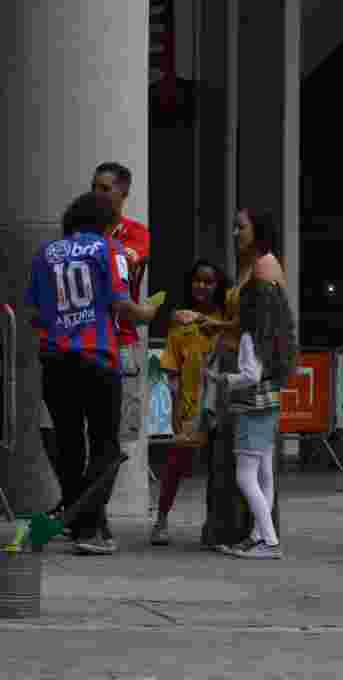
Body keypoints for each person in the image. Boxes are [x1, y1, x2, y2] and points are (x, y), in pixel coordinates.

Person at [25, 192, 159, 554]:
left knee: (69, 444)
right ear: (105, 220)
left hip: (55, 360)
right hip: (97, 357)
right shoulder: (110, 249)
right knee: (106, 444)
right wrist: (145, 314)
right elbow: (121, 304)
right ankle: (88, 527)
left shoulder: (46, 254)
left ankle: (82, 521)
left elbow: (35, 315)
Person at [176, 208, 286, 549]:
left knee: (245, 466)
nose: (236, 233)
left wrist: (220, 334)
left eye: (241, 227)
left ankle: (258, 535)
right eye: (235, 227)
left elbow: (263, 325)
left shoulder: (264, 265)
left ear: (258, 230)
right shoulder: (249, 267)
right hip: (243, 372)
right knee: (253, 465)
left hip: (249, 380)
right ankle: (257, 533)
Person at [206, 278, 297, 559]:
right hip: (270, 407)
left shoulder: (248, 337)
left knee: (245, 477)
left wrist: (221, 379)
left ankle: (268, 541)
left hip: (251, 409)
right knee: (264, 475)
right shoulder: (276, 336)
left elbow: (250, 375)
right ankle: (260, 536)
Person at [91, 162, 151, 549]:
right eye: (94, 187)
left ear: (123, 193)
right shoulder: (81, 232)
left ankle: (94, 511)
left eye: (105, 188)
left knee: (117, 438)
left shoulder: (135, 233)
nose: (98, 194)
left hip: (123, 341)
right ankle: (89, 512)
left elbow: (129, 262)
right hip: (86, 341)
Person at [151, 259, 230, 545]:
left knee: (220, 469)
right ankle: (160, 520)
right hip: (190, 407)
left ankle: (215, 525)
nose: (202, 286)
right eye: (197, 280)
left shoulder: (226, 319)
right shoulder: (180, 322)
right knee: (175, 466)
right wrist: (174, 409)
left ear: (218, 286)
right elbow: (171, 370)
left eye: (209, 282)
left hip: (223, 405)